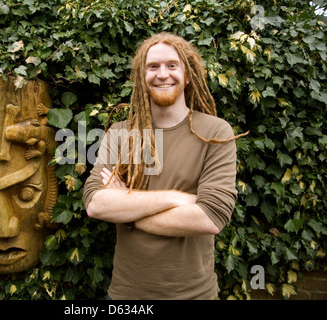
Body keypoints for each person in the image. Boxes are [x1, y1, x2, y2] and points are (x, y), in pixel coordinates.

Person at [83, 32, 247, 300]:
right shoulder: (120, 133)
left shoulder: (216, 132)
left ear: (187, 75)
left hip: (194, 295)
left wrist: (127, 213)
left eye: (172, 65)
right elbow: (95, 203)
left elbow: (210, 217)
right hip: (127, 295)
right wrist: (177, 198)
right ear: (142, 76)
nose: (162, 74)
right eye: (153, 66)